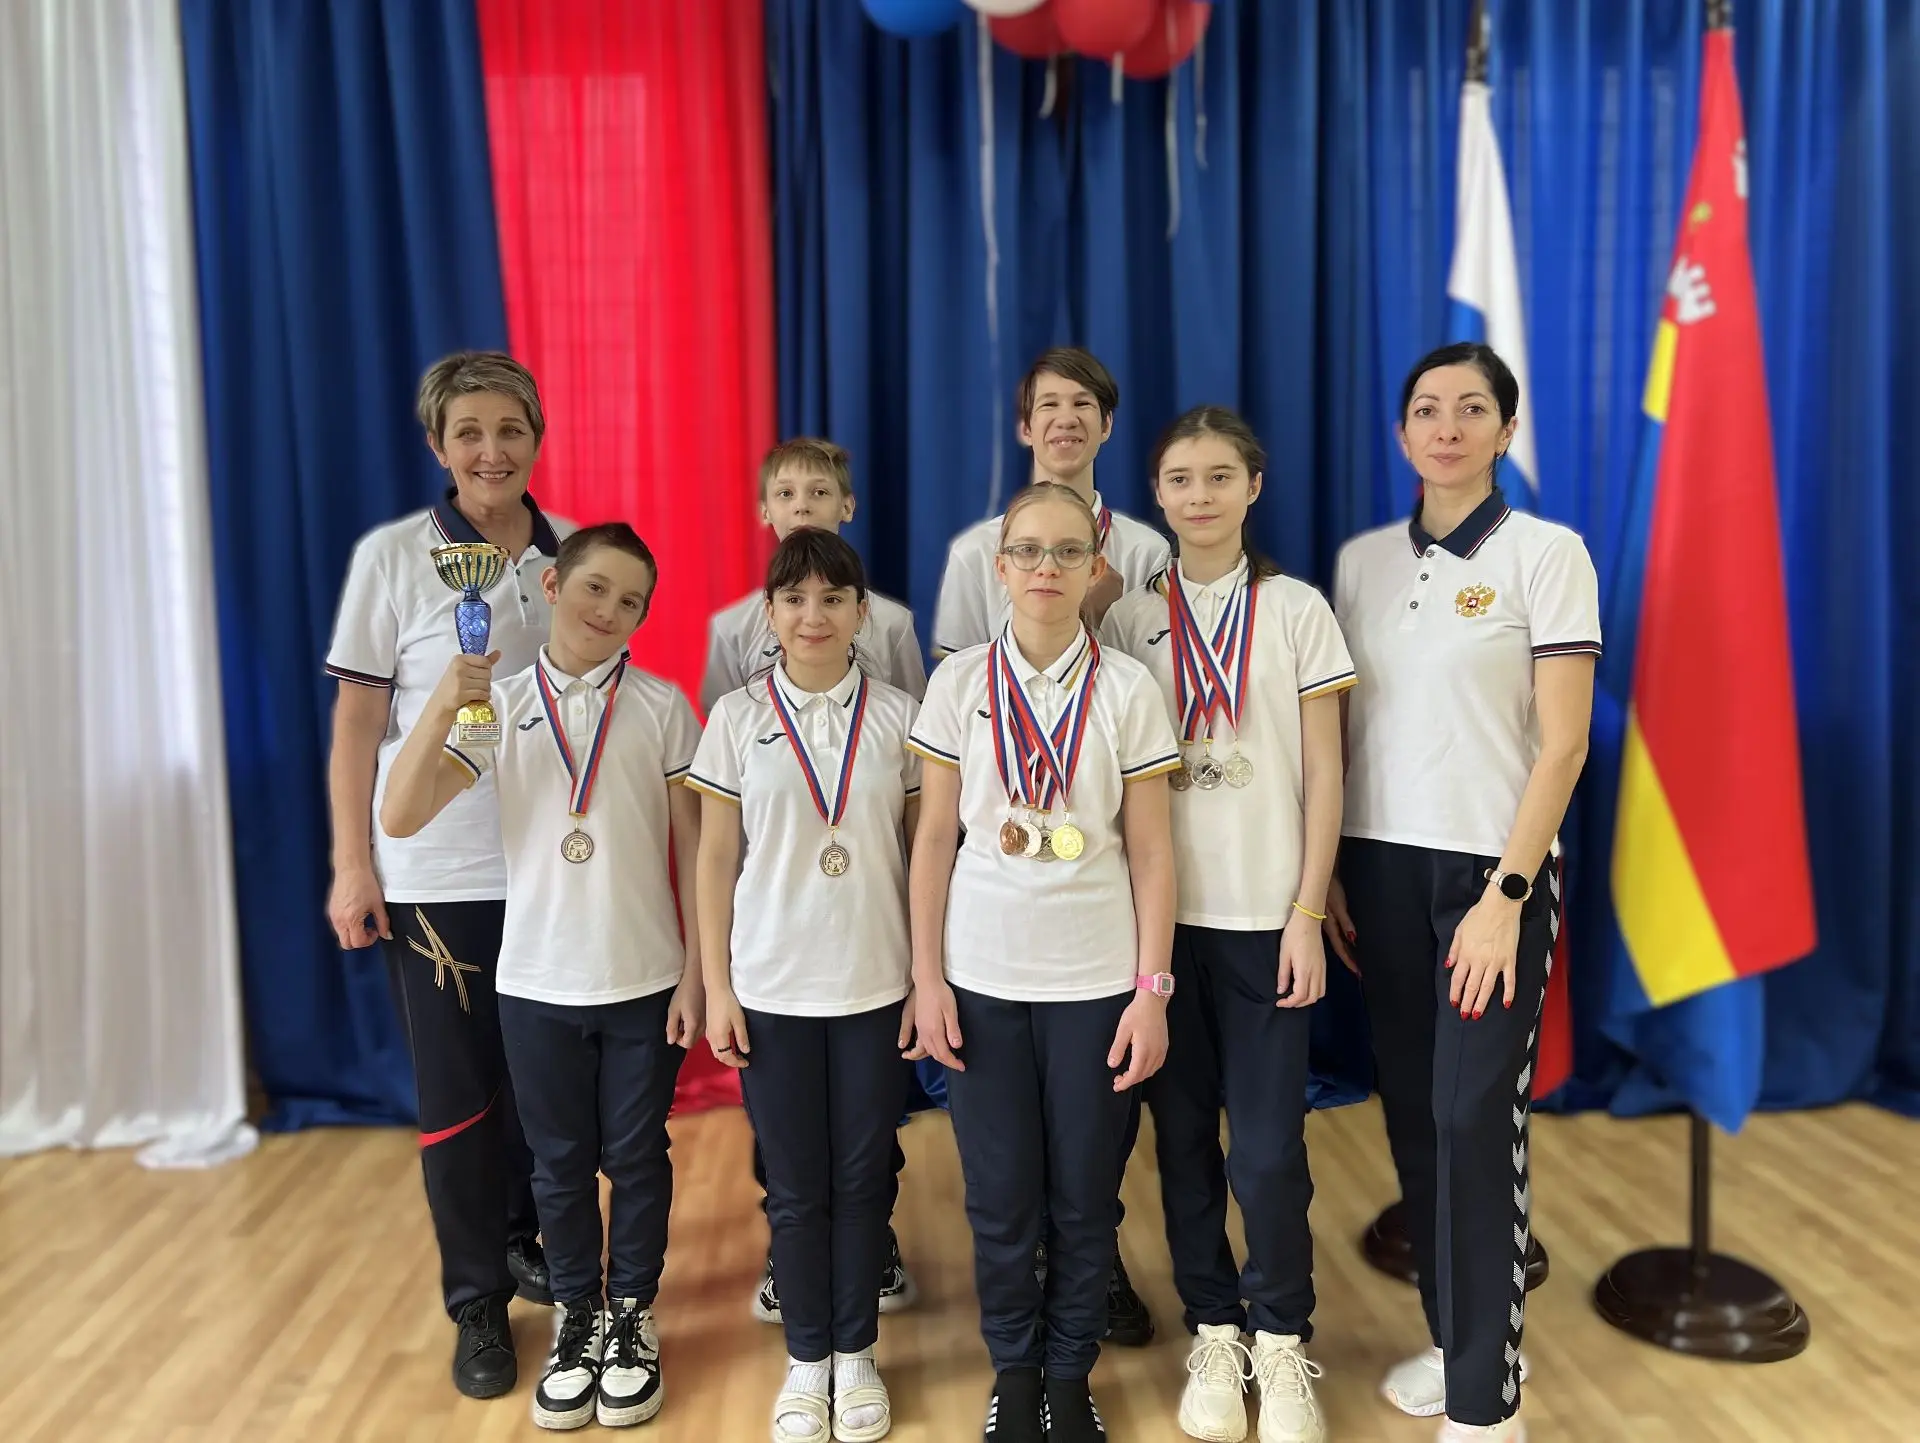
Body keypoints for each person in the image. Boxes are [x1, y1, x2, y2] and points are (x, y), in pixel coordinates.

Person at [1328, 343, 1599, 1443]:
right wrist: (1334, 869)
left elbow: (1565, 744)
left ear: (1505, 430)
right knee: (1412, 1116)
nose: (1447, 426)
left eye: (1472, 408)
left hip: (1491, 877)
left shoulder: (1547, 553)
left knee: (1473, 1118)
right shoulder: (1360, 563)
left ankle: (1490, 1405)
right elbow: (1344, 733)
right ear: (1402, 434)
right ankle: (1453, 1346)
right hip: (1379, 871)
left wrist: (1507, 893)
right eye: (1428, 409)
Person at [381, 523, 706, 1432]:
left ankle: (631, 1314)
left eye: (630, 601)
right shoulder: (499, 707)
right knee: (557, 1166)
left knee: (636, 1157)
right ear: (553, 586)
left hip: (644, 979)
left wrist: (697, 975)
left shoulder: (662, 707)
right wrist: (447, 701)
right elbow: (400, 815)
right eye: (596, 587)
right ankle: (576, 1316)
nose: (609, 610)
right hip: (534, 983)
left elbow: (695, 849)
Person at [905, 483, 1180, 1443]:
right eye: (1029, 550)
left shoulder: (1129, 689)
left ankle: (1070, 1372)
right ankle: (1015, 1370)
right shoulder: (958, 683)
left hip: (1097, 982)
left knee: (1085, 1195)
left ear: (1097, 568)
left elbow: (1152, 851)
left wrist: (1152, 992)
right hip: (981, 978)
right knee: (999, 1196)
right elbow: (932, 838)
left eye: (1069, 551)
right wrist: (927, 979)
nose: (1048, 568)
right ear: (1001, 566)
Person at [1104, 408, 1354, 1443]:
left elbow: (1327, 771)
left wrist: (1307, 909)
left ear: (1254, 486)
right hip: (1162, 931)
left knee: (1268, 1150)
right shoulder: (1127, 619)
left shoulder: (1296, 610)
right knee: (1181, 1143)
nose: (1199, 495)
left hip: (1265, 920)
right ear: (1156, 494)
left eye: (1219, 476)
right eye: (1180, 478)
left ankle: (1283, 1336)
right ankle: (1214, 1325)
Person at [323, 350, 562, 1399]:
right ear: (437, 446)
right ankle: (477, 1302)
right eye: (469, 432)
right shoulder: (392, 558)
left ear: (537, 438)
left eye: (510, 429)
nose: (491, 450)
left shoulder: (569, 557)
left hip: (553, 867)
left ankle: (531, 1241)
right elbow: (357, 726)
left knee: (544, 1087)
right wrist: (352, 865)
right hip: (437, 870)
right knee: (461, 1096)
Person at [693, 528, 923, 1443]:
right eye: (794, 598)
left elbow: (925, 855)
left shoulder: (902, 716)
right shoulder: (734, 718)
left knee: (863, 1178)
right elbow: (716, 857)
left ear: (862, 612)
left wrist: (926, 977)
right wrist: (717, 986)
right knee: (793, 1184)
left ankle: (856, 1351)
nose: (813, 615)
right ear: (770, 613)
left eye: (833, 598)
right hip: (771, 986)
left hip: (875, 981)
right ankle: (806, 1359)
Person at [930, 347, 1169, 658]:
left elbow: (1156, 671)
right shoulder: (974, 552)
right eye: (1049, 404)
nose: (1066, 419)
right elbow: (959, 676)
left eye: (1082, 403)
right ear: (1026, 429)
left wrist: (1112, 615)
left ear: (1106, 425)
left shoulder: (1148, 551)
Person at [702, 438, 925, 708]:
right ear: (765, 511)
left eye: (819, 492)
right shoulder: (732, 628)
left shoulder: (894, 624)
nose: (802, 506)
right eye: (786, 494)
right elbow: (723, 718)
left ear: (847, 507)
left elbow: (912, 716)